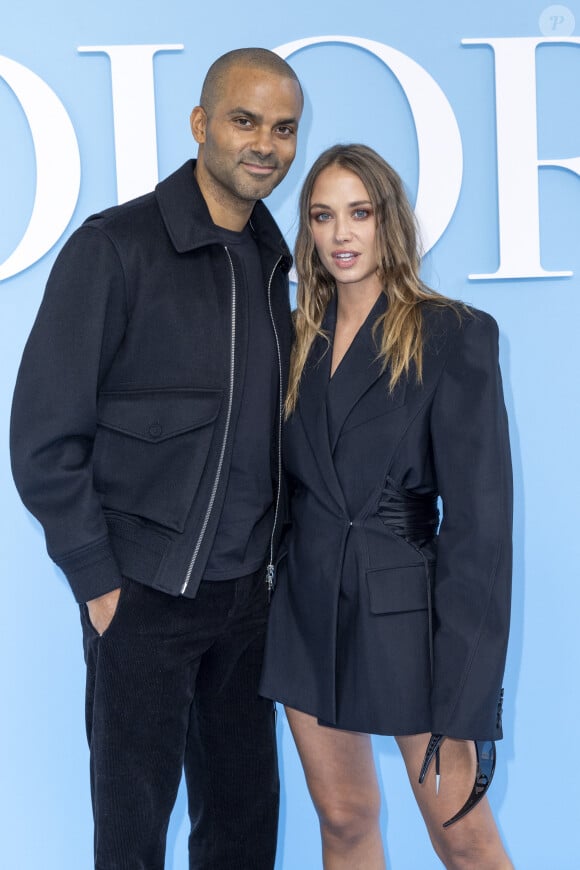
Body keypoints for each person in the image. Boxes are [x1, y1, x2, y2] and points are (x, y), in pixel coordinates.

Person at [10, 47, 303, 870]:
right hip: (143, 593)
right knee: (133, 841)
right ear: (201, 124)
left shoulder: (276, 259)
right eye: (245, 121)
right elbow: (42, 434)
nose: (266, 145)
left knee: (244, 830)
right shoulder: (115, 247)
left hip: (250, 601)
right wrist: (100, 584)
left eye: (284, 129)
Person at [260, 144, 513, 869]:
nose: (342, 234)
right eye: (323, 216)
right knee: (342, 822)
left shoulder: (453, 333)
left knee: (462, 836)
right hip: (307, 614)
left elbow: (481, 528)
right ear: (307, 229)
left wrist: (466, 691)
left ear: (389, 222)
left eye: (359, 213)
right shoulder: (291, 338)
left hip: (410, 625)